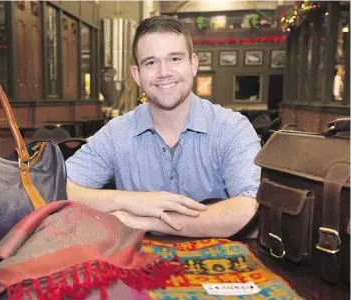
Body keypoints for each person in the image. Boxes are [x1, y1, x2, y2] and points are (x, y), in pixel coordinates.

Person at [65, 15, 261, 238]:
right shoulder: (116, 133)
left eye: (175, 59)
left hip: (221, 269)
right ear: (137, 75)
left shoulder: (231, 128)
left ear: (193, 64)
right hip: (139, 268)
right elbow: (56, 188)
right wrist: (128, 200)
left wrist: (149, 221)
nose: (164, 72)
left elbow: (251, 210)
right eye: (151, 62)